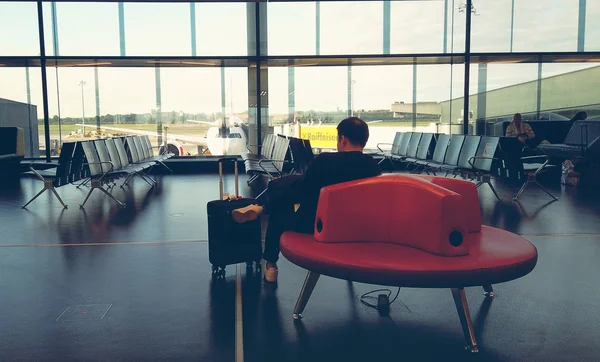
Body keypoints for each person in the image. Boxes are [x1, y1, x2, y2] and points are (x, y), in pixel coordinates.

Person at [232, 117, 382, 282]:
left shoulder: (325, 161)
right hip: (354, 228)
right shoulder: (373, 167)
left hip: (316, 226)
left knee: (279, 209)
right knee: (290, 184)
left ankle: (270, 263)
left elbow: (302, 192)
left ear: (343, 139)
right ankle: (263, 206)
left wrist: (280, 189)